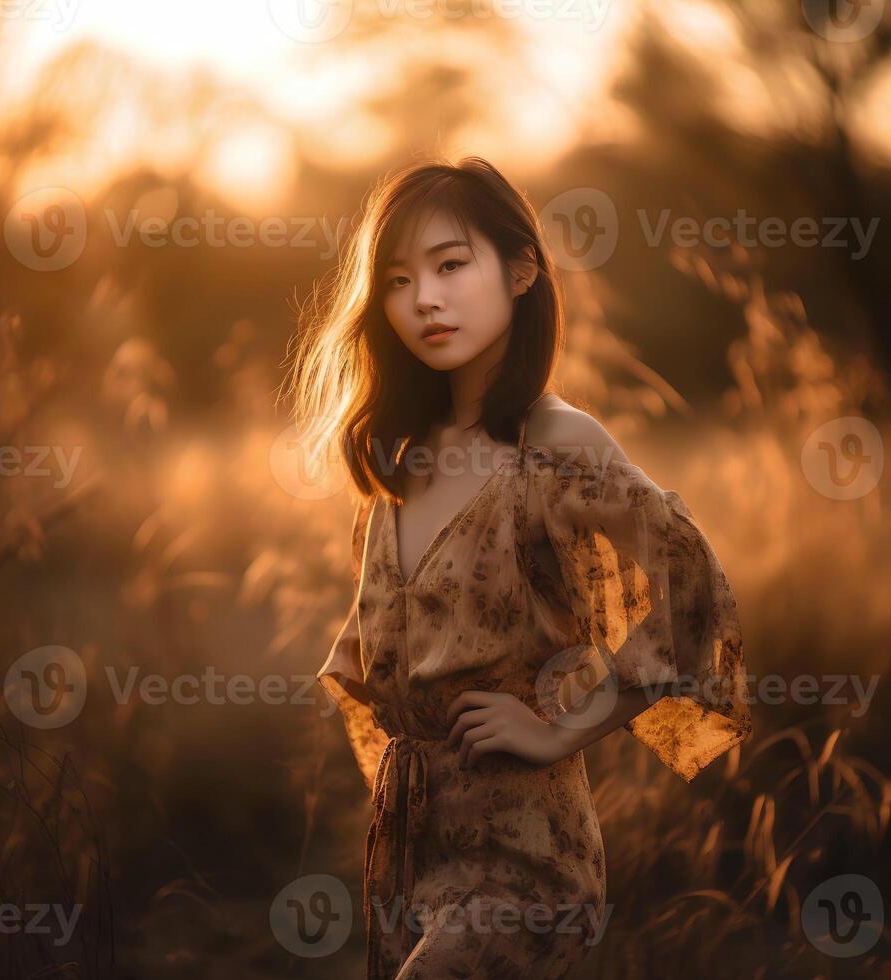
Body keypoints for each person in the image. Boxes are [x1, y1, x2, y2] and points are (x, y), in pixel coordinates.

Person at [284, 156, 752, 978]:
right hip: (409, 857)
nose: (424, 298)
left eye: (451, 264)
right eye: (397, 280)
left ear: (523, 269)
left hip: (525, 862)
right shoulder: (400, 457)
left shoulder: (556, 444)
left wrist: (562, 727)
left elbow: (691, 590)